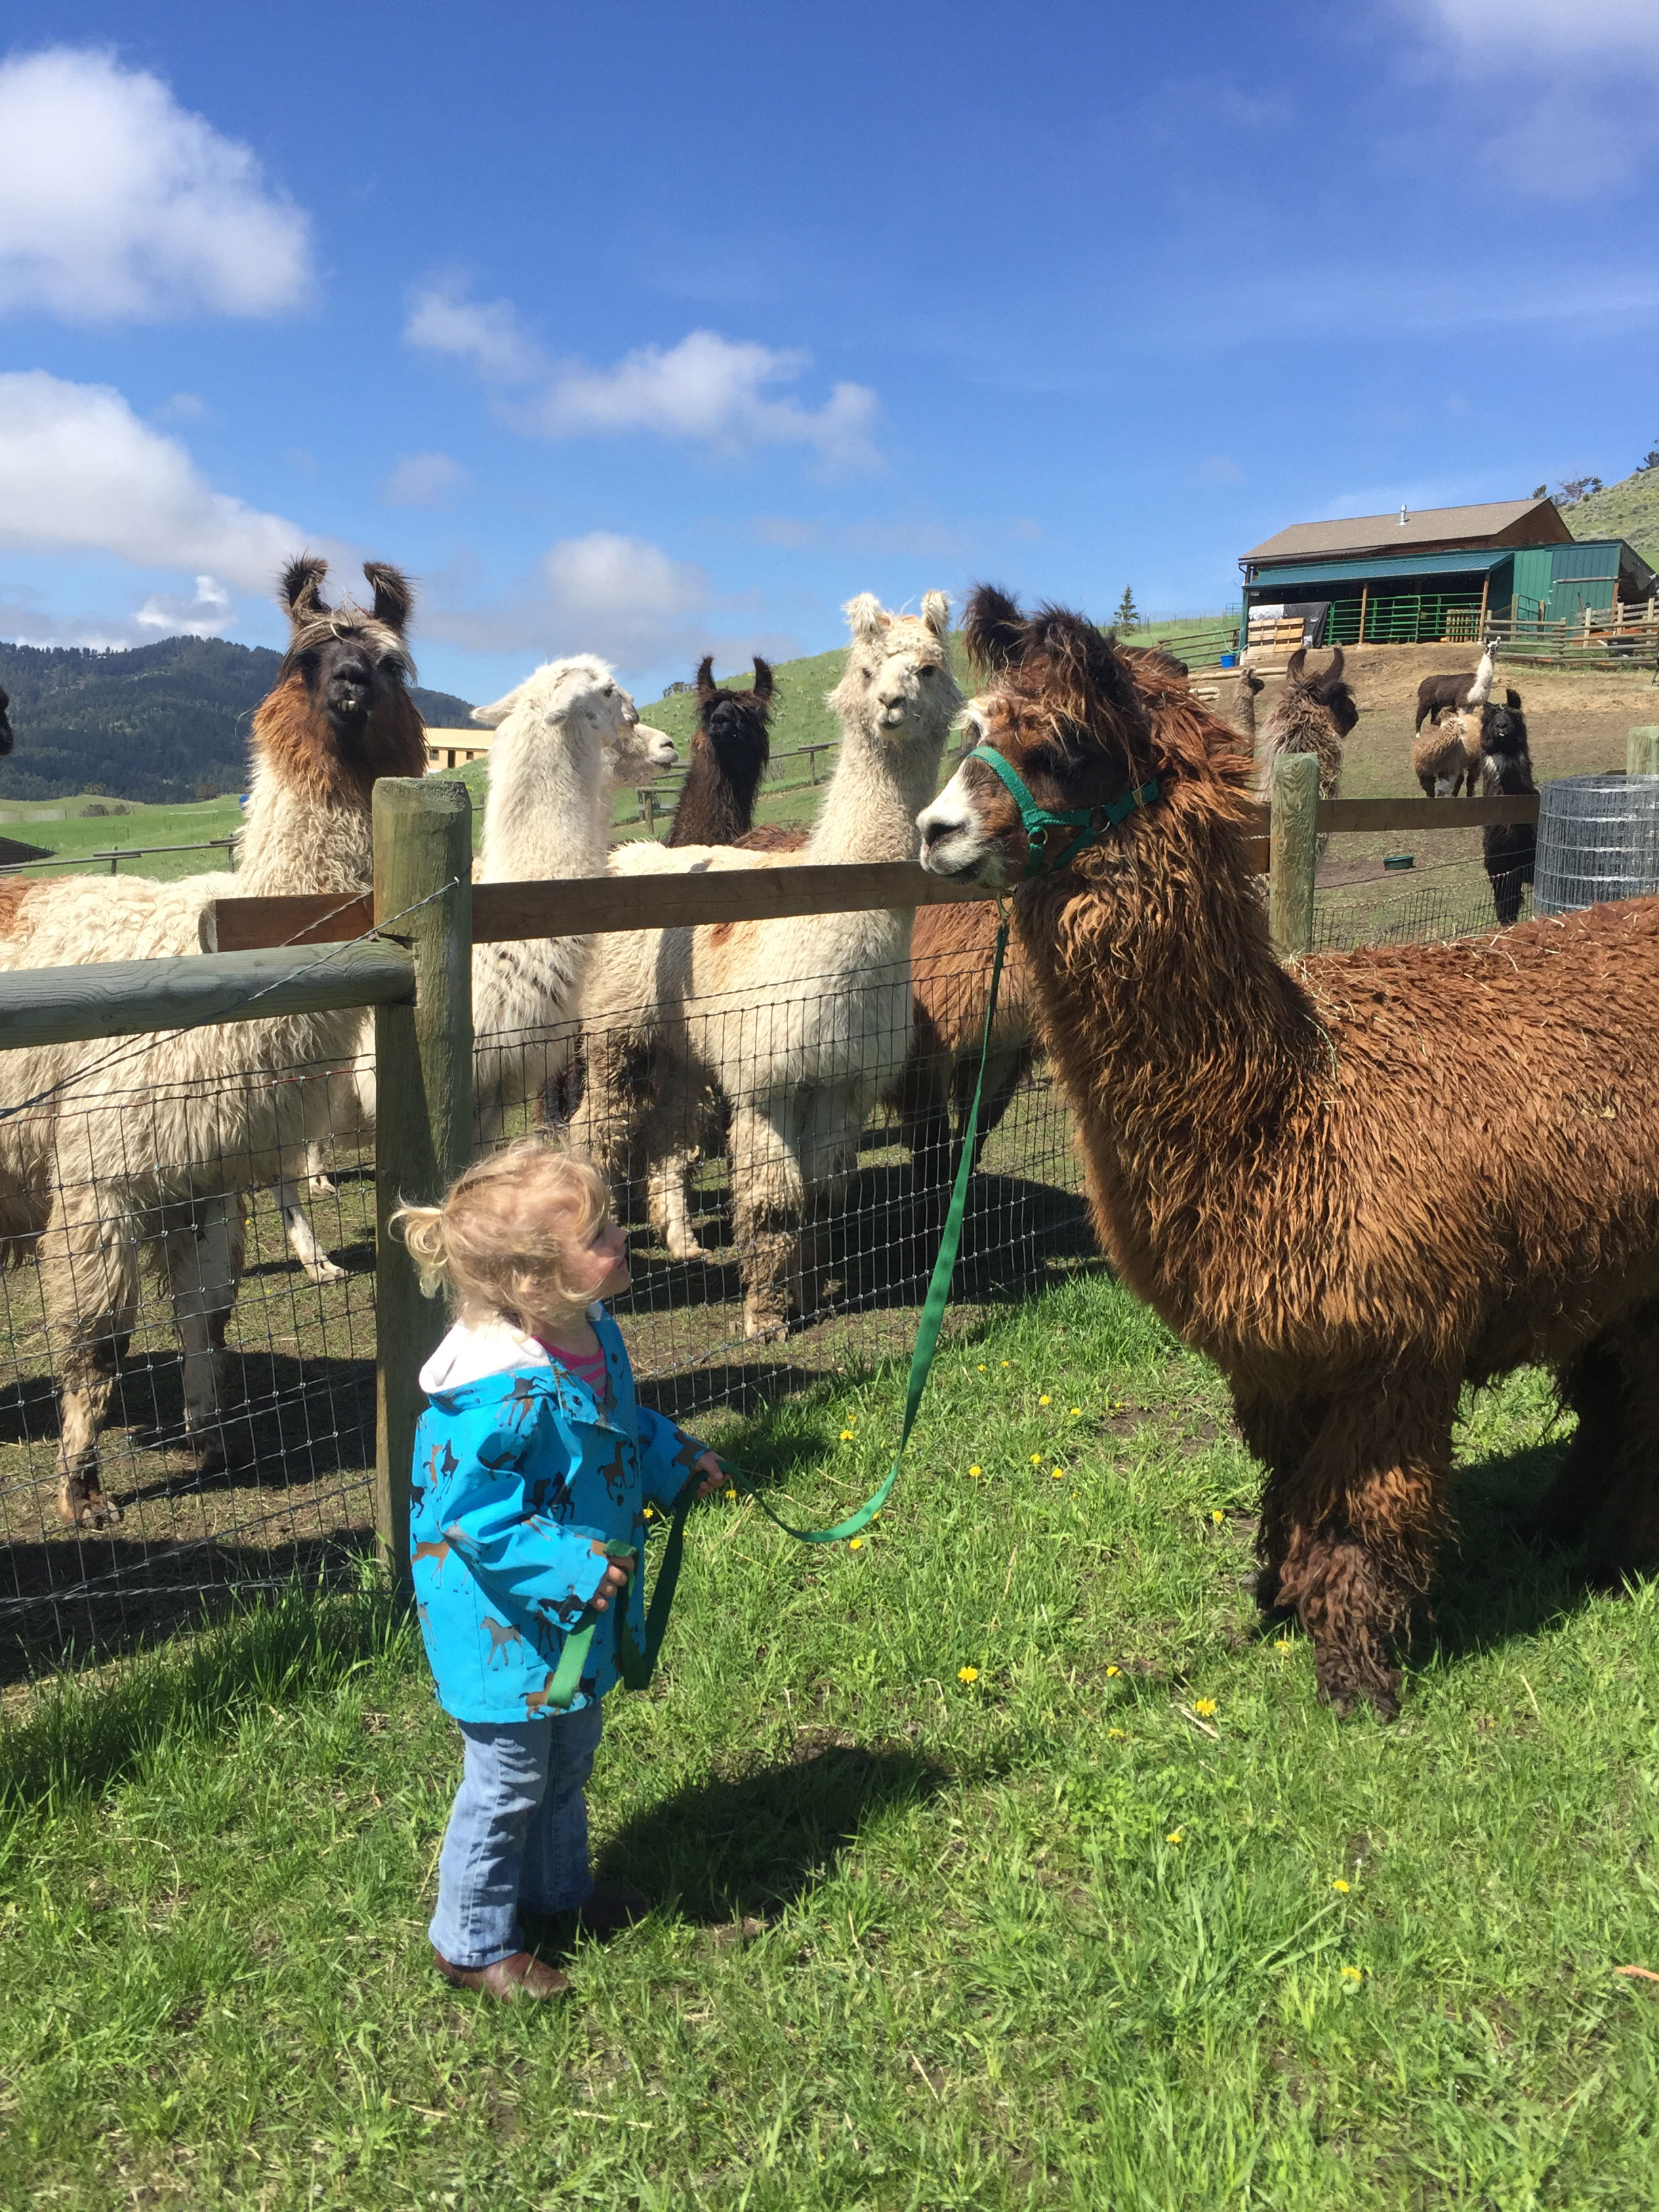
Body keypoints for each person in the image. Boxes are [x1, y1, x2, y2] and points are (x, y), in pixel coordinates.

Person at [391, 1139, 724, 2001]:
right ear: (538, 1282)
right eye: (602, 1232)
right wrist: (567, 1565)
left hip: (573, 1610)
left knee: (570, 1751)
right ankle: (469, 1942)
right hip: (502, 1622)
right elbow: (469, 1516)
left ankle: (557, 1893)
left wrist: (670, 1457)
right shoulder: (496, 1395)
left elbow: (614, 1425)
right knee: (506, 1779)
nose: (621, 1237)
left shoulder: (592, 1331)